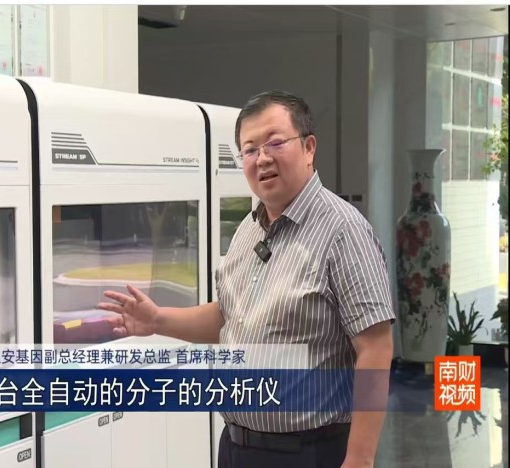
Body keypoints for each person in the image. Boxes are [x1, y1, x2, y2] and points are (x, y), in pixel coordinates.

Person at [98, 90, 395, 468]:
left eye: (275, 143)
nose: (262, 158)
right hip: (237, 447)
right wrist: (157, 320)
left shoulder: (343, 231)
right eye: (250, 150)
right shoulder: (249, 229)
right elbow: (229, 317)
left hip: (308, 452)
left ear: (309, 148)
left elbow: (375, 347)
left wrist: (359, 459)